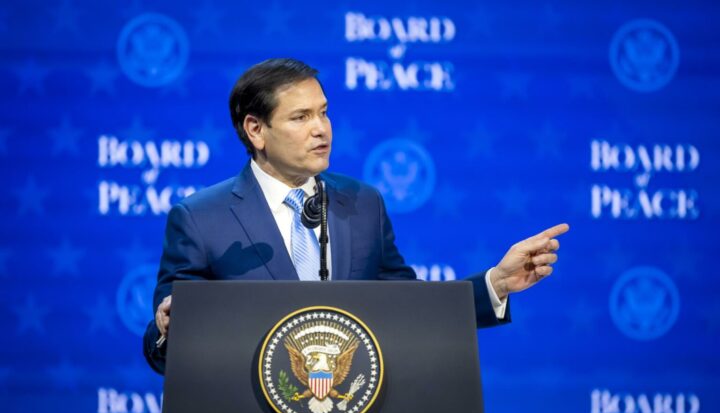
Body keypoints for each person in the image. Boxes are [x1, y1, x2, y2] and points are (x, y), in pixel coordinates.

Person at [143, 58, 569, 374]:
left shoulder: (361, 203)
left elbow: (409, 306)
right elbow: (163, 346)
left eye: (323, 112)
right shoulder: (201, 218)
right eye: (301, 117)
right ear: (256, 130)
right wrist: (168, 329)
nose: (321, 128)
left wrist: (495, 283)